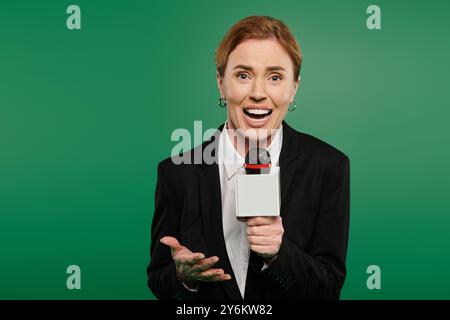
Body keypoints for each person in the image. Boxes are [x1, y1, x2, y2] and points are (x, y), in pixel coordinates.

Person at [147, 15, 350, 300]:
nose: (257, 93)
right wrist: (183, 277)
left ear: (294, 88)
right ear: (221, 84)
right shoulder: (176, 173)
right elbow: (158, 279)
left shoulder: (328, 167)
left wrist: (280, 255)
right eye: (243, 75)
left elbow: (328, 290)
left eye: (275, 77)